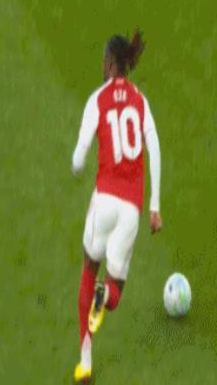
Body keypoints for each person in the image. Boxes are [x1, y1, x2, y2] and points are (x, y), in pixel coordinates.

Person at [72, 29, 162, 382]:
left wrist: (78, 164)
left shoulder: (97, 100)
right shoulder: (140, 100)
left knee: (87, 268)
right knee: (115, 293)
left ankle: (85, 363)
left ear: (111, 63)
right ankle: (104, 294)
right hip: (130, 209)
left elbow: (79, 157)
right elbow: (154, 148)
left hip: (104, 200)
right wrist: (154, 205)